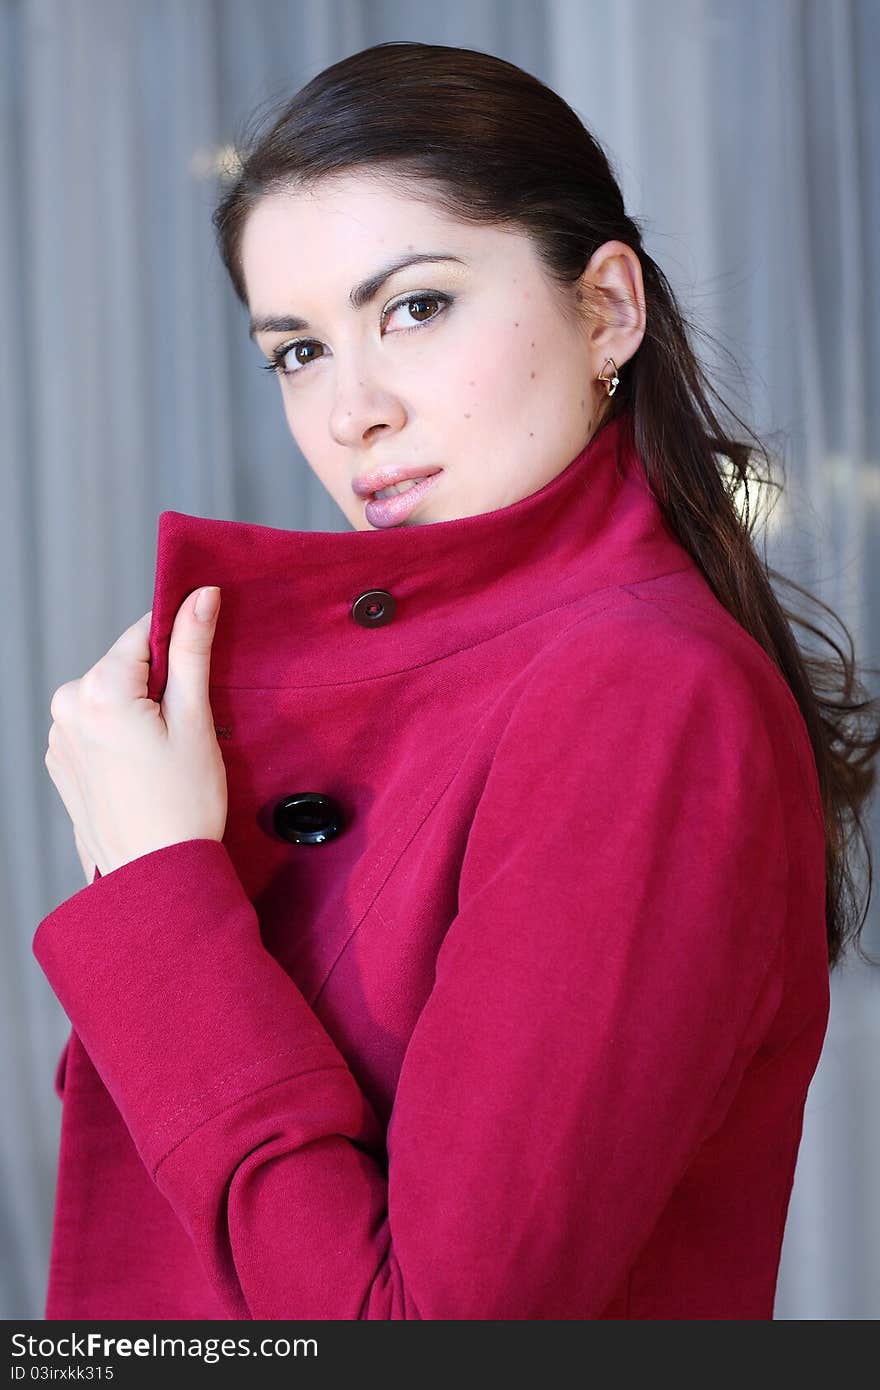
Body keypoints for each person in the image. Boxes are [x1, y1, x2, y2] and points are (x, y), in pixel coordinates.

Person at [35, 41, 880, 1321]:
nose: (351, 409)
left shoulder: (644, 697)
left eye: (416, 306)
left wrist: (158, 892)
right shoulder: (494, 680)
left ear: (606, 309)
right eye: (297, 351)